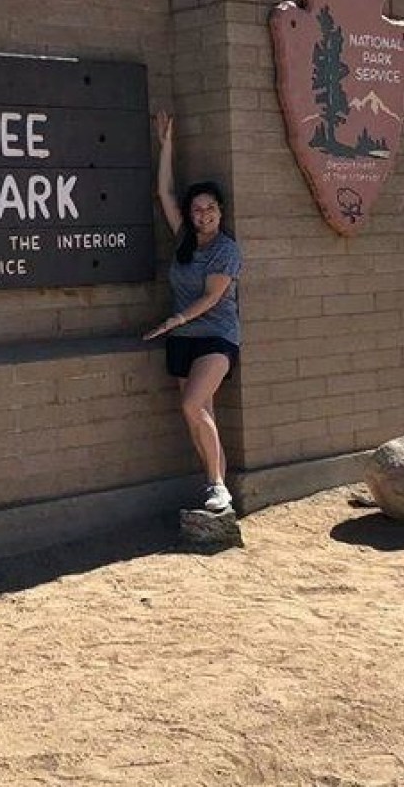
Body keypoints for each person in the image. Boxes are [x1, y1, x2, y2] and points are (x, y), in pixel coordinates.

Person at [144, 111, 242, 514]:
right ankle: (214, 490)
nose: (204, 215)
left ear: (221, 211)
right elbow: (165, 194)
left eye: (210, 209)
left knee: (192, 405)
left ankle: (219, 485)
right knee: (201, 415)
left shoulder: (226, 249)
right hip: (182, 340)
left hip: (215, 338)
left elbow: (213, 297)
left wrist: (177, 319)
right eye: (197, 209)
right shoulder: (185, 239)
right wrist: (167, 144)